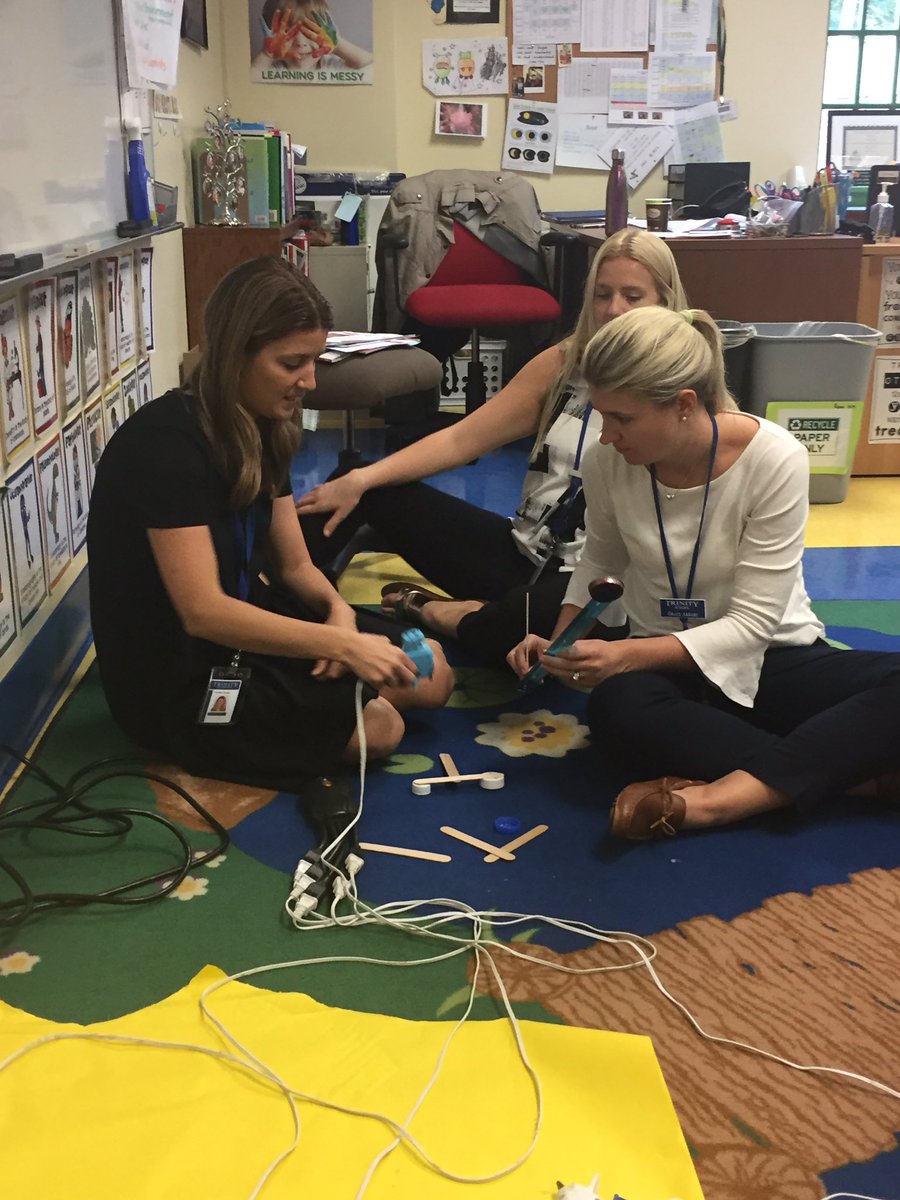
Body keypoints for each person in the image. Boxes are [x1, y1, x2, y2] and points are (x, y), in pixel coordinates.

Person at [507, 306, 900, 839]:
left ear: (684, 406)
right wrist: (561, 645)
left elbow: (754, 625)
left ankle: (722, 799)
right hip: (665, 667)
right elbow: (600, 559)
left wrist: (621, 654)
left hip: (771, 657)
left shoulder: (774, 456)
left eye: (622, 419)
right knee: (619, 706)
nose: (607, 437)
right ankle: (850, 777)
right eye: (603, 417)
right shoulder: (609, 461)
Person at [87, 257, 452, 792]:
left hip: (241, 629)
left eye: (314, 360)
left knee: (432, 672)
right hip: (177, 676)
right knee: (380, 727)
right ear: (236, 355)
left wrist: (338, 616)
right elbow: (204, 614)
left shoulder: (262, 425)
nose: (309, 380)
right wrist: (342, 649)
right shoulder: (163, 447)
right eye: (291, 363)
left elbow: (296, 564)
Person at [296, 228, 690, 666]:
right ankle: (288, 605)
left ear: (664, 301)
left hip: (589, 580)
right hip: (521, 550)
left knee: (527, 630)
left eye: (632, 296)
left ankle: (431, 610)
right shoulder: (562, 363)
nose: (613, 310)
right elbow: (462, 439)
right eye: (602, 294)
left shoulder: (679, 389)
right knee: (355, 488)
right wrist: (361, 479)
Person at [252, 2, 373, 74]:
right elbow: (246, 87)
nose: (300, 43)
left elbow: (371, 67)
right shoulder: (269, 70)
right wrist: (268, 54)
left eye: (310, 32)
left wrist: (336, 44)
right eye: (288, 32)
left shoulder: (332, 66)